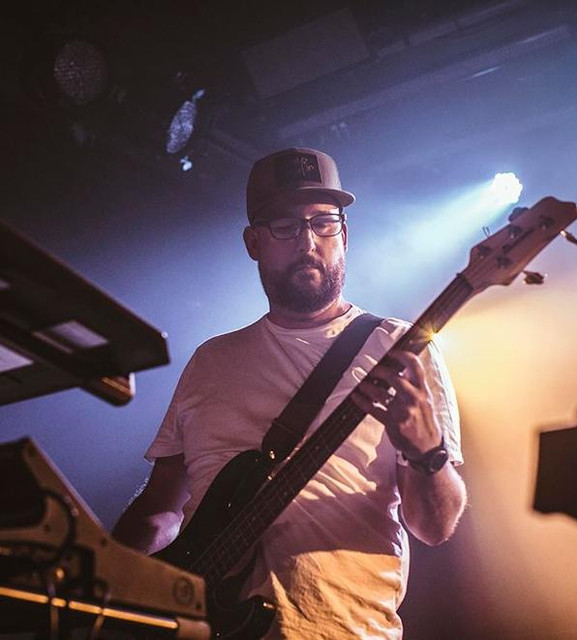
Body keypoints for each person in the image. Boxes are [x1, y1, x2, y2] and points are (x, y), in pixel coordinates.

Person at [113, 147, 467, 639]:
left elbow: (434, 527)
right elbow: (160, 510)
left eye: (324, 222)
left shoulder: (398, 350)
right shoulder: (210, 361)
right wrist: (100, 579)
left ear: (344, 234)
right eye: (285, 225)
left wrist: (429, 454)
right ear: (253, 242)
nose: (308, 241)